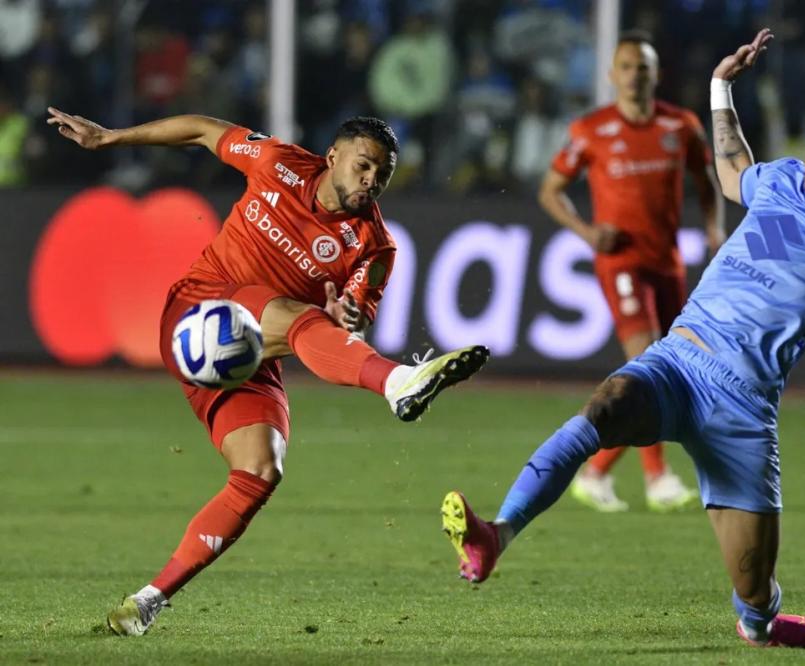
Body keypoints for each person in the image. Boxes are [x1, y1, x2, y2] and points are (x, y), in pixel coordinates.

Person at [440, 28, 805, 648]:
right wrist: (720, 87)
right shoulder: (779, 179)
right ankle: (496, 535)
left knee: (753, 589)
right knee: (604, 407)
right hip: (678, 362)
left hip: (743, 409)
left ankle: (762, 623)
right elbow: (732, 169)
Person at [46, 107, 490, 636]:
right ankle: (396, 382)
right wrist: (112, 138)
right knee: (295, 317)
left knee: (261, 469)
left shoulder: (374, 246)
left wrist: (346, 316)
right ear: (333, 156)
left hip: (250, 350)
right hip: (198, 310)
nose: (370, 181)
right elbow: (203, 130)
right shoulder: (277, 161)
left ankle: (147, 601)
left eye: (382, 175)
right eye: (363, 166)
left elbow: (354, 315)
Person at [538, 31, 723, 512]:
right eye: (626, 67)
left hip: (666, 262)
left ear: (656, 74)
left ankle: (597, 473)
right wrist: (586, 232)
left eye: (643, 67)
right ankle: (657, 477)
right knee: (648, 364)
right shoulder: (591, 130)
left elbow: (706, 181)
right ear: (611, 75)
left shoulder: (681, 126)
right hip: (621, 261)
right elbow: (550, 190)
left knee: (670, 369)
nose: (634, 75)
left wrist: (714, 229)